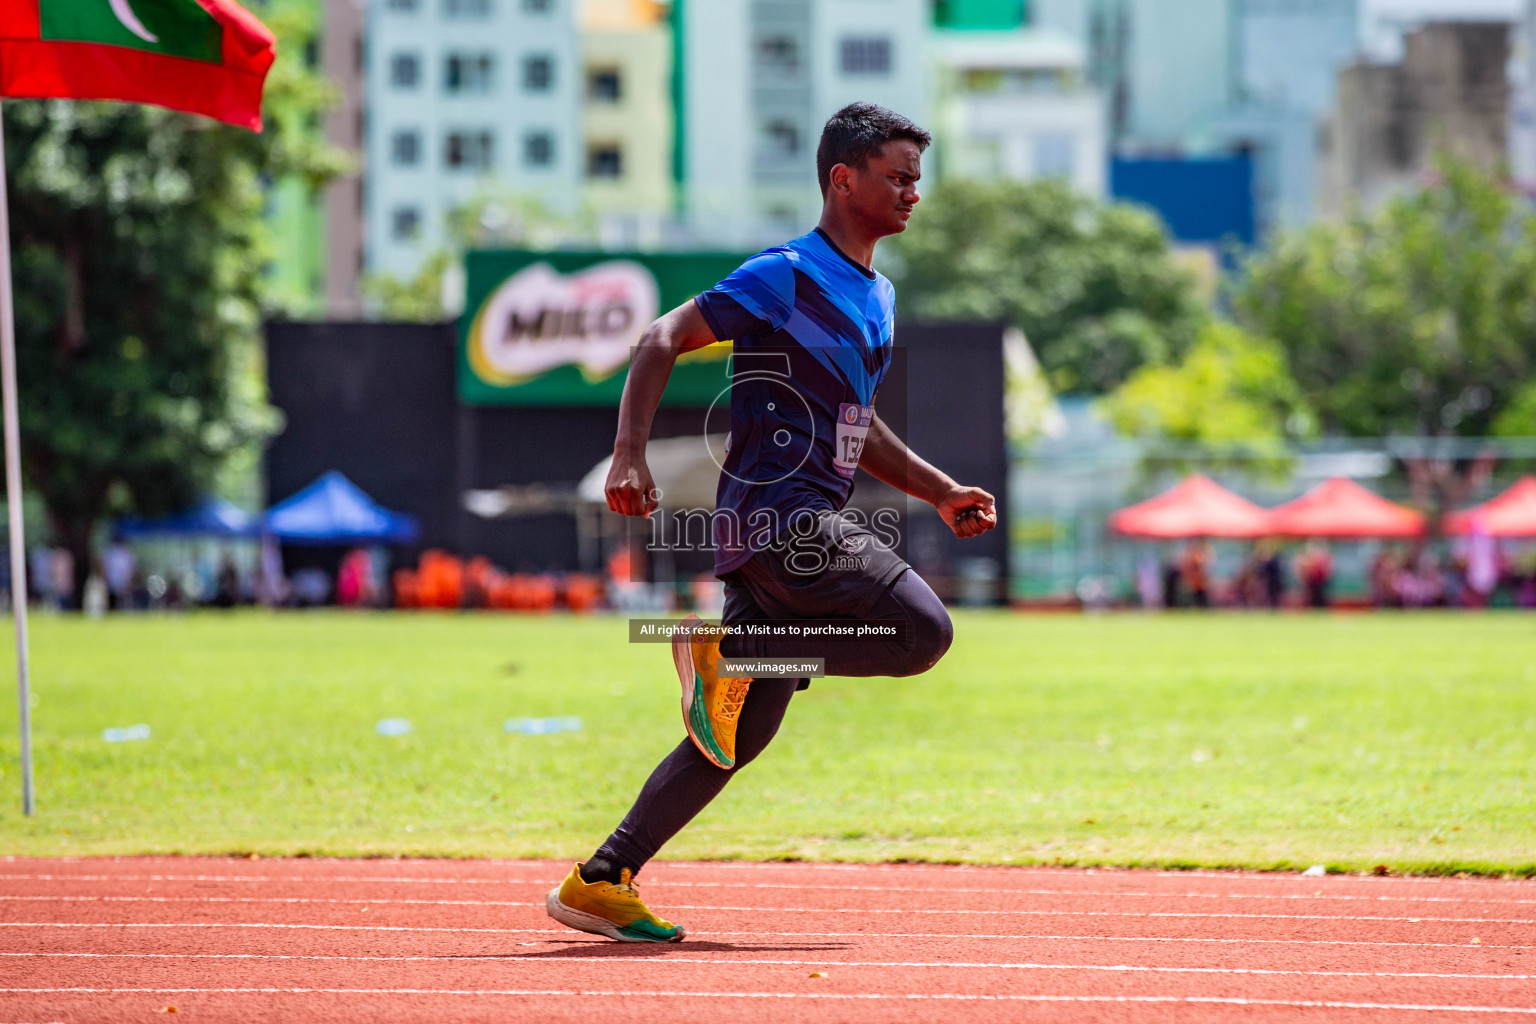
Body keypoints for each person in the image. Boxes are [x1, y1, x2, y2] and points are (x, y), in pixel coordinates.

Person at [545, 103, 997, 943]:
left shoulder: (878, 294)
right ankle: (733, 654)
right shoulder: (786, 273)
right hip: (781, 520)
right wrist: (628, 453)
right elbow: (660, 337)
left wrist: (937, 490)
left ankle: (602, 876)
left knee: (734, 734)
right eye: (897, 176)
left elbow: (858, 425)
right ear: (842, 179)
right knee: (921, 634)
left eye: (916, 179)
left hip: (784, 530)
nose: (912, 193)